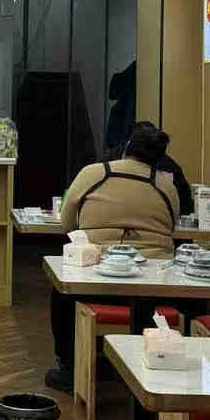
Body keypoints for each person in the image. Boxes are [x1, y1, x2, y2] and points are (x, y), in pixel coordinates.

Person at [44, 123, 187, 392]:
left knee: (61, 294)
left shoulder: (93, 174)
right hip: (154, 287)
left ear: (126, 147)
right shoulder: (165, 185)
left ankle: (69, 369)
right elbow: (172, 226)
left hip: (97, 280)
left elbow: (66, 224)